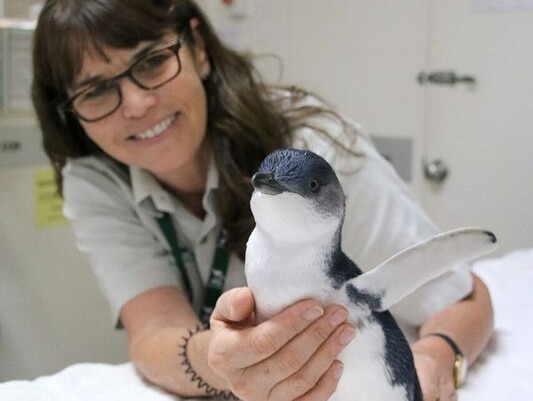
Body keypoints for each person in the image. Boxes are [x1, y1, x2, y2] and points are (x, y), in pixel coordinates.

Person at [31, 1, 493, 400]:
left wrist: (432, 360)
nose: (134, 103)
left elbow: (466, 297)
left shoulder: (313, 156)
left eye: (152, 62)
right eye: (95, 90)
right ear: (69, 111)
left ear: (199, 49)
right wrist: (224, 360)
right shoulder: (98, 179)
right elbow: (153, 331)